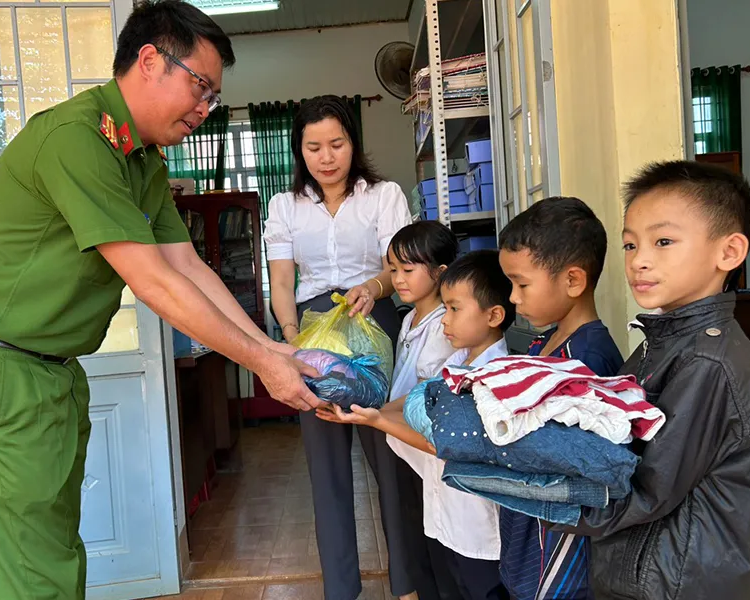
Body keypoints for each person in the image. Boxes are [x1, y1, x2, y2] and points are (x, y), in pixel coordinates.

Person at [0, 3, 321, 599]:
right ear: (149, 61)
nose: (204, 109)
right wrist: (262, 365)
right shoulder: (76, 140)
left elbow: (185, 264)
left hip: (50, 370)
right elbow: (153, 283)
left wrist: (270, 346)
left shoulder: (140, 157)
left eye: (213, 97)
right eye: (200, 87)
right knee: (38, 575)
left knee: (58, 554)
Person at [550, 160, 750, 600]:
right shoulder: (664, 338)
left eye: (664, 241)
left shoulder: (708, 361)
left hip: (675, 582)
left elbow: (646, 488)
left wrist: (538, 496)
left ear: (728, 252)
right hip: (645, 570)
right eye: (631, 245)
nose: (641, 260)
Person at [263, 95, 423, 600]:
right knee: (326, 466)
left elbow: (398, 267)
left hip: (372, 322)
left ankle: (407, 585)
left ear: (354, 143)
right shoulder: (284, 206)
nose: (326, 156)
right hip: (313, 334)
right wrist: (293, 344)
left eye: (337, 143)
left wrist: (374, 289)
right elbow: (282, 281)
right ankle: (341, 589)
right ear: (299, 150)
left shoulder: (383, 195)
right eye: (314, 147)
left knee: (391, 457)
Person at [335, 249, 515, 600]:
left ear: (494, 315)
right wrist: (367, 412)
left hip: (475, 533)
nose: (444, 320)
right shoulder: (458, 361)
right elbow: (420, 395)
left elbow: (441, 444)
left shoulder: (491, 378)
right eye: (444, 308)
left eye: (454, 309)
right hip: (444, 519)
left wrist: (375, 419)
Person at [496, 196, 624, 599]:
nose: (514, 298)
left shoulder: (588, 359)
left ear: (573, 280)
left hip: (560, 540)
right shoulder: (546, 341)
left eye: (522, 284)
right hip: (527, 526)